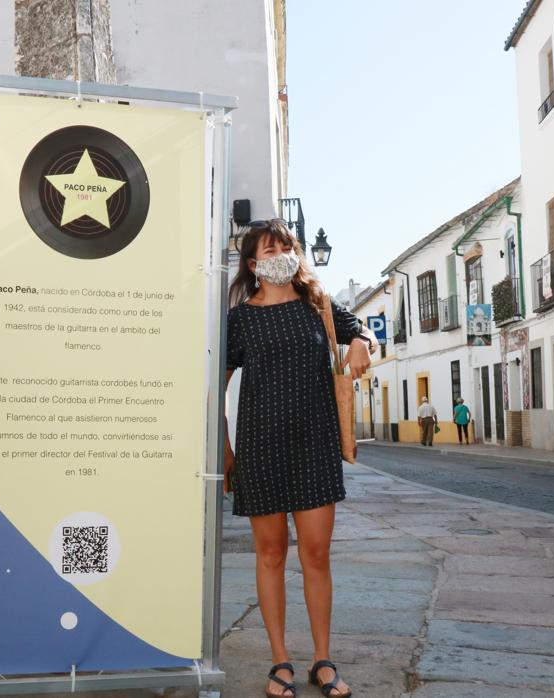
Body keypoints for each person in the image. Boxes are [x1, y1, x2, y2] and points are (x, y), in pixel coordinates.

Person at [224, 219, 374, 698]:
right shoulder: (239, 320)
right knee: (269, 555)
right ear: (253, 264)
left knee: (317, 555)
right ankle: (280, 662)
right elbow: (218, 384)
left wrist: (359, 343)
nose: (281, 254)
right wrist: (224, 450)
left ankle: (323, 661)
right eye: (270, 249)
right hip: (259, 446)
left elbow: (364, 335)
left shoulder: (320, 307)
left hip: (316, 445)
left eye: (286, 246)